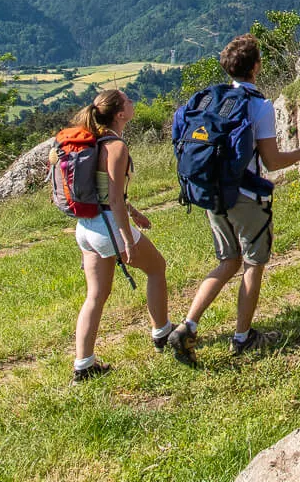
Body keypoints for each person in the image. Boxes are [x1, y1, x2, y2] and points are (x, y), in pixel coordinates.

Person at [165, 35, 300, 358]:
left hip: (211, 193)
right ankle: (243, 337)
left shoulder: (209, 102)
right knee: (253, 263)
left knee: (227, 261)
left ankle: (187, 326)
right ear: (256, 67)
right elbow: (272, 161)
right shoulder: (258, 106)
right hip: (246, 196)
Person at [69, 88, 175, 381]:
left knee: (96, 294)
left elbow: (105, 191)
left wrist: (134, 211)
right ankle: (162, 333)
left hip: (86, 228)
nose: (133, 103)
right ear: (119, 114)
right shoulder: (115, 147)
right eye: (128, 101)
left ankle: (84, 365)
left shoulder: (93, 141)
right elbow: (113, 198)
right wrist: (127, 238)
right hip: (108, 229)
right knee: (157, 268)